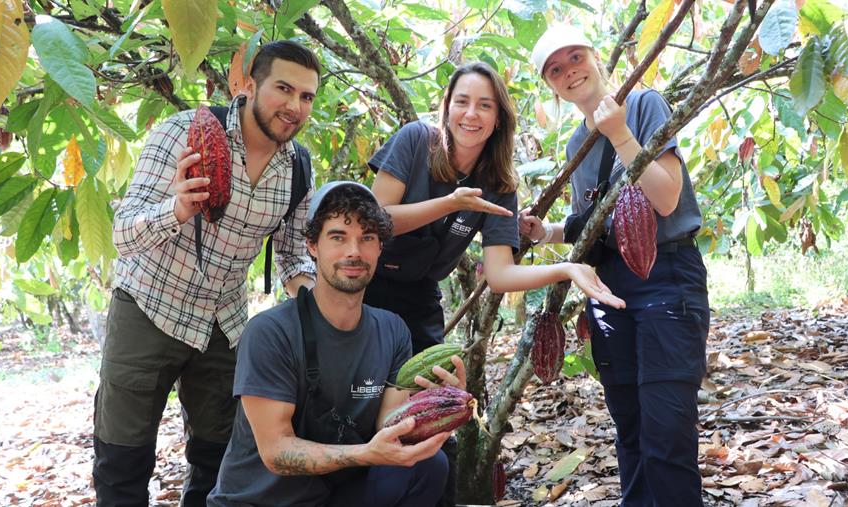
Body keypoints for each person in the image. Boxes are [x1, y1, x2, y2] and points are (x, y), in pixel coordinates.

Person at [363, 61, 624, 506]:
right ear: (446, 108)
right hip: (366, 292)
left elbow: (500, 275)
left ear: (498, 117)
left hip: (421, 297)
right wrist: (449, 204)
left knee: (436, 420)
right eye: (462, 102)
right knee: (363, 407)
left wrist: (565, 269)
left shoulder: (498, 183)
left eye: (485, 105)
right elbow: (374, 218)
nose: (472, 114)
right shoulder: (414, 140)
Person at [94, 40, 322, 506]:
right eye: (283, 88)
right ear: (250, 84)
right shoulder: (185, 132)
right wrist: (177, 209)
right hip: (150, 306)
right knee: (123, 456)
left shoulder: (298, 166)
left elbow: (293, 255)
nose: (295, 106)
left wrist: (314, 305)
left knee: (218, 457)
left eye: (307, 96)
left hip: (224, 320)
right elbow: (122, 235)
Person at [520, 25, 711, 506]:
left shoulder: (644, 106)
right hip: (611, 289)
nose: (570, 72)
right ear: (551, 86)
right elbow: (602, 224)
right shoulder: (573, 147)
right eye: (556, 69)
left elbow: (665, 201)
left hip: (667, 276)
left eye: (576, 57)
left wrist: (621, 133)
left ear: (596, 57)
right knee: (630, 428)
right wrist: (547, 233)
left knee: (667, 432)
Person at [208, 181, 461, 506]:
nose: (354, 251)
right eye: (338, 237)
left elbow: (393, 427)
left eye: (367, 237)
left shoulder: (393, 329)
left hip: (333, 494)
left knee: (427, 467)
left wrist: (446, 404)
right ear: (312, 245)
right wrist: (365, 453)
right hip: (259, 500)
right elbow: (276, 452)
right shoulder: (269, 332)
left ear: (380, 247)